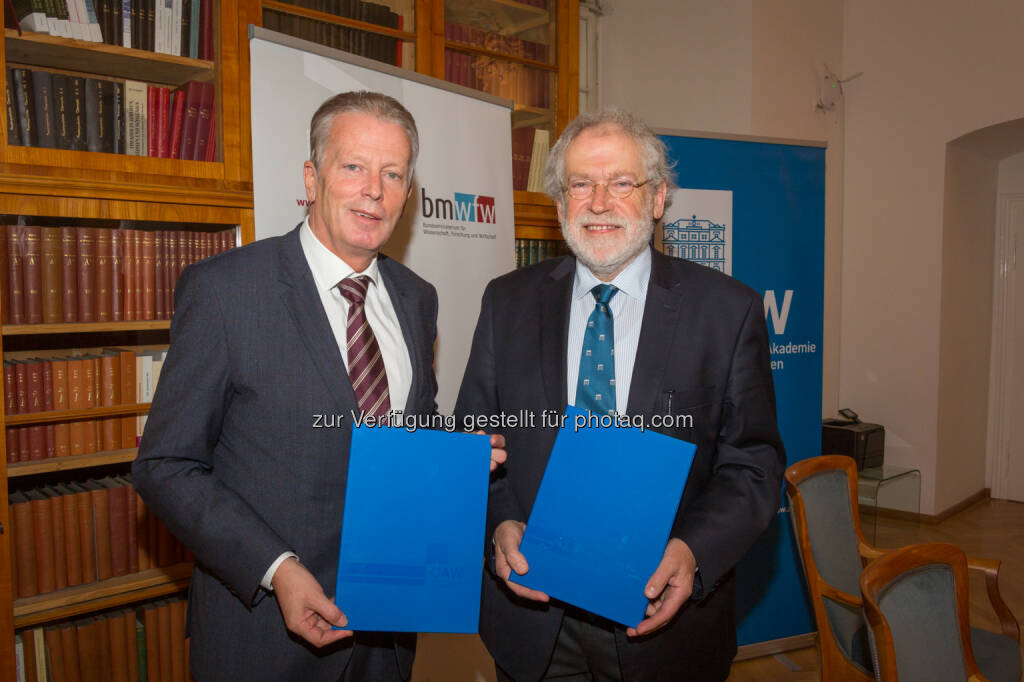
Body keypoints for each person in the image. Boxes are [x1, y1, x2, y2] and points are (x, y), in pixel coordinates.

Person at [133, 91, 505, 682]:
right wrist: (275, 568)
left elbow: (404, 434)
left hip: (388, 635)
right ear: (312, 176)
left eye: (393, 174)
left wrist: (453, 458)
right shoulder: (227, 291)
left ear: (409, 192)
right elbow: (166, 464)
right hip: (262, 638)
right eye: (353, 166)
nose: (373, 190)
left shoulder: (416, 299)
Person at [455, 107, 785, 682]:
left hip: (666, 624)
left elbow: (753, 464)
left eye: (621, 183)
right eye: (580, 184)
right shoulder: (506, 301)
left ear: (658, 199)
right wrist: (499, 526)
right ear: (560, 204)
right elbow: (475, 441)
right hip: (535, 623)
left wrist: (692, 552)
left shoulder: (727, 311)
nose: (599, 202)